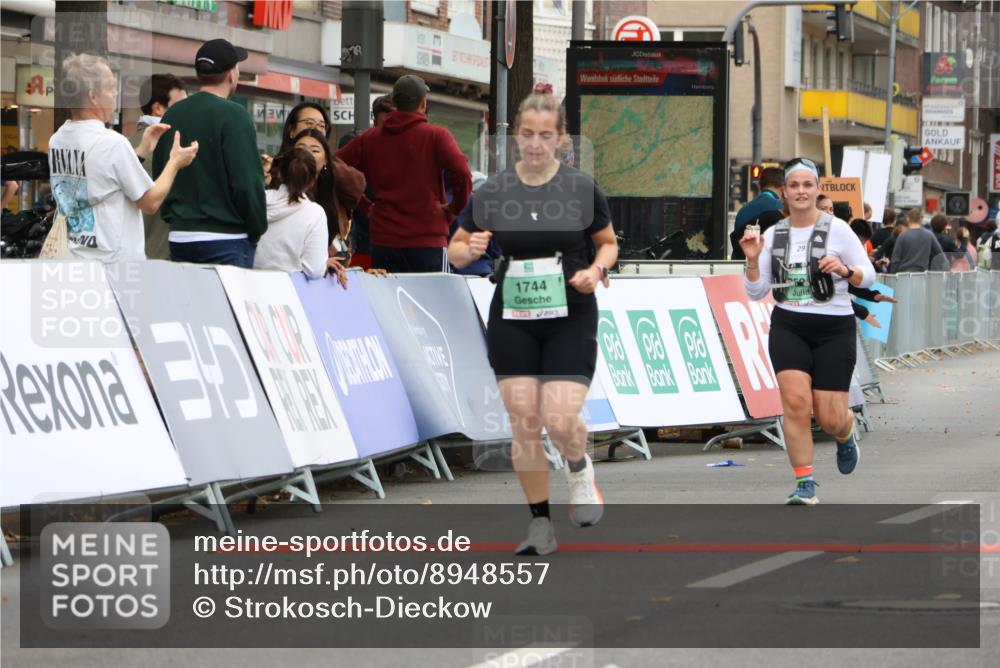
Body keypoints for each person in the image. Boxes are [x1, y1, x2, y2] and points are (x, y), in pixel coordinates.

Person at [448, 87, 618, 554]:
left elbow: (607, 242)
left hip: (571, 309)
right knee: (524, 419)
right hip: (514, 312)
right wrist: (470, 250)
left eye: (546, 136)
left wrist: (596, 269)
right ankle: (540, 524)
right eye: (527, 135)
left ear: (562, 140)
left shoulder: (581, 188)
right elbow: (456, 249)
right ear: (515, 137)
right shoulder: (496, 190)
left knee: (560, 418)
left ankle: (579, 467)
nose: (536, 144)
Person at [741, 157, 875, 505]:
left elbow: (869, 274)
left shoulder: (838, 230)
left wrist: (845, 270)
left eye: (807, 185)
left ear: (817, 189)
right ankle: (805, 482)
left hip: (834, 326)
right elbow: (756, 292)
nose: (801, 191)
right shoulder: (772, 235)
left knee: (830, 417)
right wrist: (753, 261)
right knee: (796, 404)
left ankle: (846, 435)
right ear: (784, 192)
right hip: (790, 324)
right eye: (794, 186)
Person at [48, 53, 198, 263]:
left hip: (74, 254)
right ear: (93, 96)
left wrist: (142, 150)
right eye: (110, 87)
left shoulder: (57, 139)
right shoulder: (112, 142)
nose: (115, 93)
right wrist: (175, 162)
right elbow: (151, 202)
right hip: (114, 262)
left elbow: (103, 178)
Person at [338, 74, 472, 273]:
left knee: (388, 301)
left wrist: (365, 206)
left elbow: (334, 166)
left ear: (394, 102)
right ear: (423, 103)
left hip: (385, 239)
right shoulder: (437, 136)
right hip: (428, 240)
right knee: (432, 302)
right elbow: (462, 173)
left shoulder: (370, 139)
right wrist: (454, 209)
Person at [153, 38, 265, 268]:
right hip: (227, 238)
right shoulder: (235, 116)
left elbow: (159, 174)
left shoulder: (172, 114)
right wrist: (256, 229)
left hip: (180, 236)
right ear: (232, 74)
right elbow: (247, 183)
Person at [278, 102, 367, 258]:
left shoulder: (331, 167)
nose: (316, 129)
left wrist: (325, 163)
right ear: (291, 131)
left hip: (333, 256)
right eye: (309, 123)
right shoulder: (278, 170)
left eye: (321, 126)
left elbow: (357, 188)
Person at [131, 73, 187, 260]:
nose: (185, 111)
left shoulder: (126, 145)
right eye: (180, 105)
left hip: (131, 255)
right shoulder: (171, 148)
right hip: (159, 254)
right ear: (157, 108)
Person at [338, 95, 395, 270]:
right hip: (363, 239)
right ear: (375, 122)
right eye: (386, 124)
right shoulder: (359, 144)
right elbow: (336, 169)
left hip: (397, 240)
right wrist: (366, 206)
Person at [254, 148, 329, 280]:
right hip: (290, 292)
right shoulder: (315, 214)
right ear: (313, 180)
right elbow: (314, 270)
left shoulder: (258, 200)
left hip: (248, 285)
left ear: (279, 174)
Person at [731, 166, 784, 260]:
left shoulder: (743, 210)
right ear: (783, 187)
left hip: (743, 265)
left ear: (759, 186)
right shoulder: (781, 208)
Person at [891, 207, 947, 272]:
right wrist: (948, 270)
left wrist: (893, 274)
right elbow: (941, 257)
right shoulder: (929, 235)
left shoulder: (902, 236)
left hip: (904, 276)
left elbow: (895, 260)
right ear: (921, 219)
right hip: (921, 276)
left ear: (908, 219)